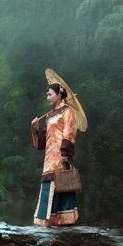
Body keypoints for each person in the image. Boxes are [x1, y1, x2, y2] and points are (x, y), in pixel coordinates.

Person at [29, 68, 87, 227]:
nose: (47, 97)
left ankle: (62, 222)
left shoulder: (68, 112)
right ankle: (46, 223)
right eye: (47, 94)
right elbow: (43, 142)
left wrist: (64, 153)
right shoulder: (48, 116)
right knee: (49, 187)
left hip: (61, 158)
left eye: (49, 94)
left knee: (62, 187)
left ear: (59, 94)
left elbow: (69, 132)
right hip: (49, 159)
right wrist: (36, 127)